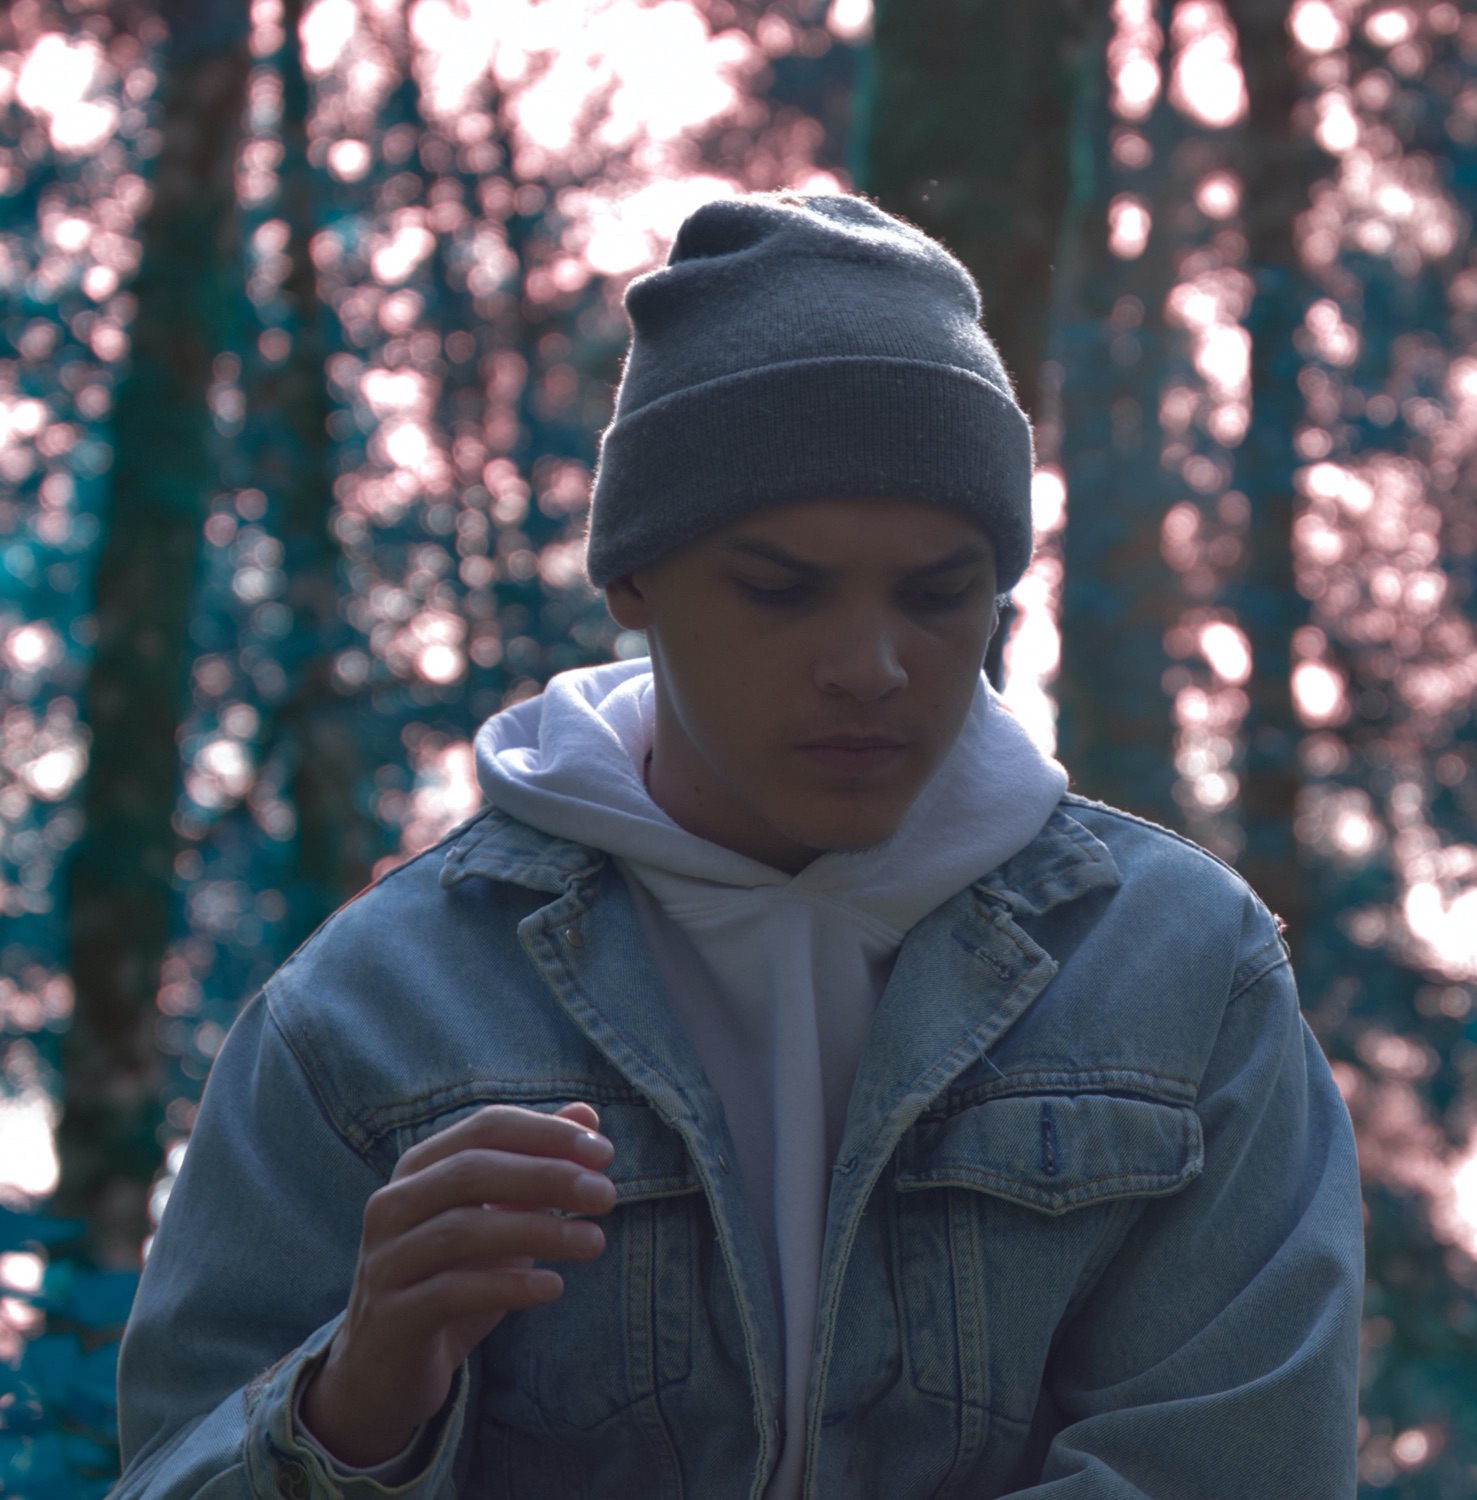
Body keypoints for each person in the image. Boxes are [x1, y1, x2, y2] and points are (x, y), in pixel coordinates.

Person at [113, 191, 1364, 1499]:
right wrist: (350, 1412)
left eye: (940, 595)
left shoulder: (1183, 977)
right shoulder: (373, 1015)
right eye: (781, 589)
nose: (870, 665)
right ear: (633, 578)